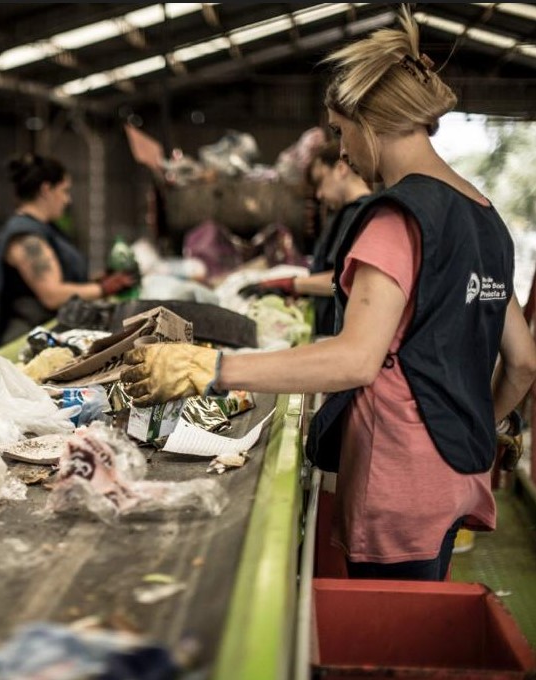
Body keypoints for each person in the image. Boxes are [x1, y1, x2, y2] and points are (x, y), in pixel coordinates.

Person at [120, 6, 536, 581]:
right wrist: (473, 424)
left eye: (342, 133)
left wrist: (210, 367)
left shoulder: (398, 218)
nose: (342, 153)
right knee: (416, 613)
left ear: (373, 122)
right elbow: (522, 362)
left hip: (400, 474)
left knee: (384, 641)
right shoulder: (485, 218)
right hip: (457, 473)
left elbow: (355, 359)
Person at [0, 153, 135, 348]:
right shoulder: (25, 237)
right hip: (23, 342)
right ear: (46, 190)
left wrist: (99, 280)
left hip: (45, 335)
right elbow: (52, 294)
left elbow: (63, 278)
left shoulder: (45, 229)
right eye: (64, 191)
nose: (67, 199)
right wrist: (103, 288)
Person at [241, 141, 374, 336]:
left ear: (341, 169)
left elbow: (342, 281)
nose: (319, 194)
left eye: (320, 180)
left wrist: (292, 285)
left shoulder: (356, 215)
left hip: (340, 334)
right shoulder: (357, 214)